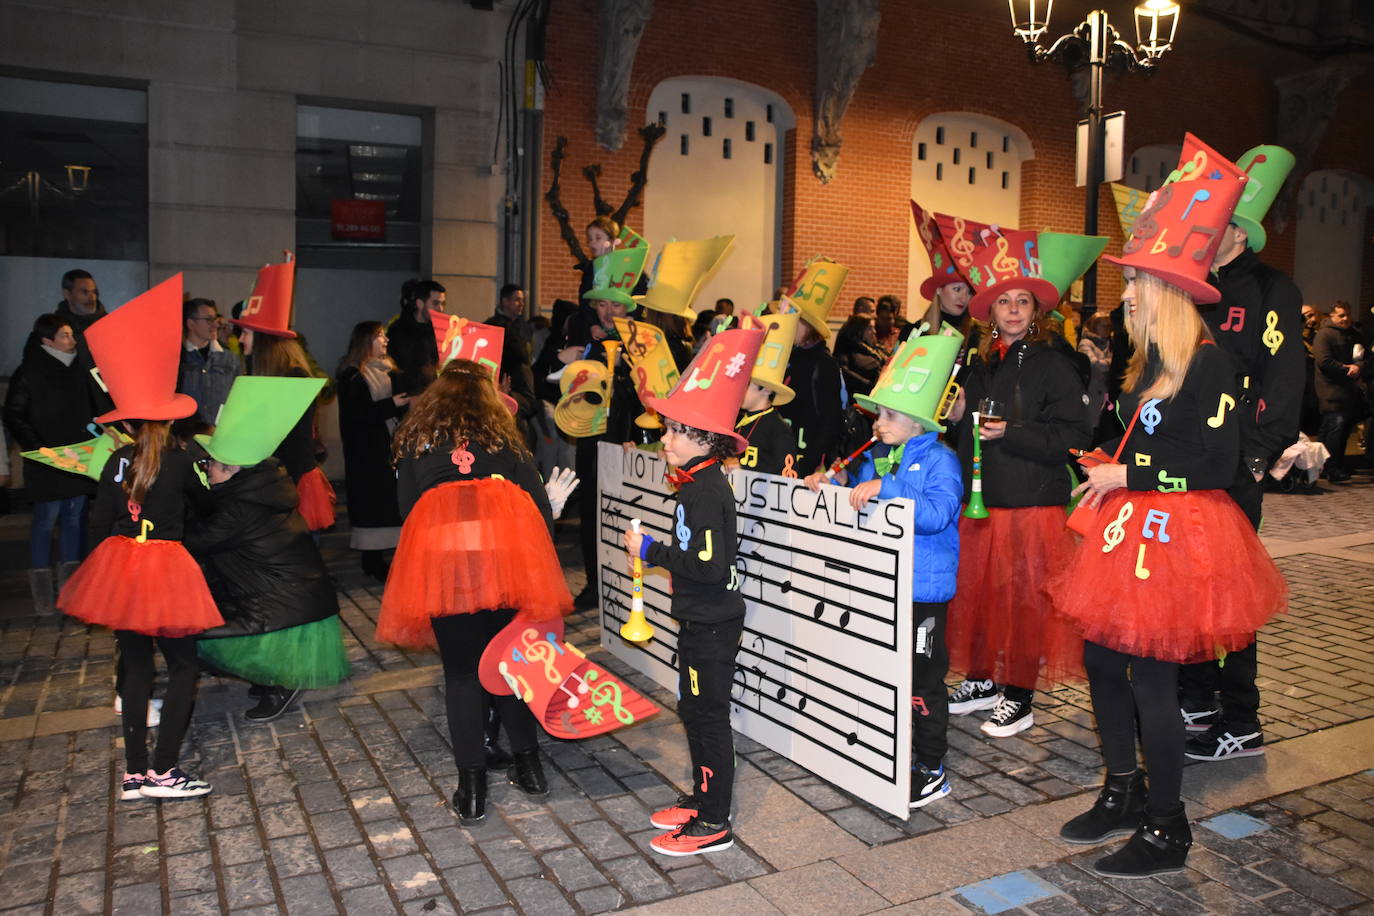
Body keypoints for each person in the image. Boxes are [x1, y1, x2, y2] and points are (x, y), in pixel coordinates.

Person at [1050, 152, 1287, 878]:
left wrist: (1133, 471)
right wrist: (1107, 464)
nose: (1124, 290)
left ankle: (1167, 826)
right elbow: (1131, 431)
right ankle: (1123, 790)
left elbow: (1219, 464)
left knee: (1152, 681)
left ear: (1164, 287)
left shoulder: (1208, 362)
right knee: (1099, 659)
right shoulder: (1147, 359)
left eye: (1132, 279)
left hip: (1177, 534)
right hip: (1131, 526)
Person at [375, 360, 575, 825]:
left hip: (446, 568)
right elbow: (538, 508)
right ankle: (530, 769)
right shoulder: (503, 437)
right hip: (504, 564)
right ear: (489, 397)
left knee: (462, 674)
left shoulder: (414, 439)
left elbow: (408, 510)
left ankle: (471, 787)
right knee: (509, 667)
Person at [57, 276, 221, 800]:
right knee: (183, 666)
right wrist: (218, 476)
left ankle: (133, 772)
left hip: (121, 565)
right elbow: (206, 506)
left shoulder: (114, 458)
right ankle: (164, 770)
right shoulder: (183, 456)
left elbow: (99, 519)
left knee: (133, 668)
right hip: (166, 567)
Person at [934, 216, 1095, 738]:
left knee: (1023, 599)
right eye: (1004, 302)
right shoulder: (979, 363)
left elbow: (1071, 437)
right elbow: (966, 432)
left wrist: (1014, 433)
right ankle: (982, 679)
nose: (1012, 310)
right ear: (991, 312)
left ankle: (1019, 694)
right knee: (978, 597)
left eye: (1022, 301)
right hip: (983, 502)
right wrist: (958, 419)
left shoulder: (1053, 363)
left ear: (1036, 310)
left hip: (1030, 503)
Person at [1181, 144, 1305, 760]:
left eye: (1218, 221)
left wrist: (1258, 455)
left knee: (1229, 590)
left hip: (1234, 465)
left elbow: (1285, 378)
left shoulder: (1271, 288)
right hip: (1184, 461)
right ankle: (1196, 698)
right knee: (1187, 582)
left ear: (1238, 229)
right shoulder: (1188, 286)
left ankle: (1242, 718)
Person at [805, 330, 962, 809]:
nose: (879, 421)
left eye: (890, 414)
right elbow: (855, 492)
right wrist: (827, 482)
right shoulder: (877, 455)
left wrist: (886, 488)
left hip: (925, 593)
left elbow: (937, 516)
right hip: (885, 586)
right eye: (879, 413)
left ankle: (932, 767)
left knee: (923, 680)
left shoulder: (941, 459)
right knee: (888, 673)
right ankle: (895, 749)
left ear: (916, 421)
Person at [623, 327, 764, 856]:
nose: (666, 440)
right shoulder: (697, 483)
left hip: (710, 620)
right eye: (667, 430)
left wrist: (649, 551)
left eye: (677, 432)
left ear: (706, 441)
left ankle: (713, 821)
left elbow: (708, 564)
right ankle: (705, 794)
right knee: (693, 708)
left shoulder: (703, 492)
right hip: (702, 618)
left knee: (707, 715)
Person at [190, 377, 349, 722]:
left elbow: (194, 542)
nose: (206, 471)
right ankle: (268, 676)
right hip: (298, 605)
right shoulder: (261, 491)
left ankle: (279, 681)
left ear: (232, 470)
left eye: (211, 465)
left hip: (282, 612)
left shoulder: (238, 509)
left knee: (185, 634)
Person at [4, 314, 99, 610]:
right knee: (46, 520)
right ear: (47, 340)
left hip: (79, 456)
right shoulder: (29, 371)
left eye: (72, 335)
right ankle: (43, 594)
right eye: (65, 336)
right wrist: (37, 447)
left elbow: (97, 406)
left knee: (75, 517)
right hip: (47, 460)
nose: (72, 341)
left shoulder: (81, 369)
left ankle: (72, 590)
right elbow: (14, 414)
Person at [236, 297, 335, 536]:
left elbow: (291, 444)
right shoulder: (274, 376)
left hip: (293, 482)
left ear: (264, 339)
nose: (240, 339)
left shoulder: (294, 378)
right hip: (280, 481)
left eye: (246, 333)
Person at [336, 322, 410, 580]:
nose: (386, 340)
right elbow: (358, 415)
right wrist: (392, 404)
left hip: (388, 447)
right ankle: (372, 561)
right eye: (380, 336)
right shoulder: (352, 375)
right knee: (372, 505)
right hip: (366, 453)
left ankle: (385, 558)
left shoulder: (389, 370)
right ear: (366, 341)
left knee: (388, 503)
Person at [776, 274, 846, 475]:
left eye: (793, 320)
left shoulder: (824, 364)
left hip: (807, 462)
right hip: (780, 455)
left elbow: (830, 421)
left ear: (808, 325)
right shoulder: (782, 357)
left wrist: (810, 463)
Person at [735, 311, 800, 476]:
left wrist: (744, 473)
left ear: (766, 389)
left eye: (747, 385)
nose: (740, 389)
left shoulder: (778, 430)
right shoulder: (739, 421)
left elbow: (787, 478)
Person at [1312, 302, 1362, 483]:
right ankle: (1330, 467)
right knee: (1334, 428)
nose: (1346, 319)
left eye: (1348, 315)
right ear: (1332, 316)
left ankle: (1330, 465)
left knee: (1340, 431)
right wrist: (1346, 369)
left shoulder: (1353, 335)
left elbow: (1364, 357)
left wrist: (1359, 367)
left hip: (1349, 392)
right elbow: (1324, 361)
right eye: (1341, 315)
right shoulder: (1325, 335)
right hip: (1330, 391)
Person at [178, 297, 241, 423]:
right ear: (190, 323)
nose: (216, 324)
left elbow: (238, 399)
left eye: (215, 319)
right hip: (184, 435)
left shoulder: (229, 359)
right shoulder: (178, 358)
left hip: (218, 433)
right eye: (208, 320)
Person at [387, 279, 447, 394]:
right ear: (420, 303)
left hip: (431, 395)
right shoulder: (398, 331)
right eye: (435, 303)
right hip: (407, 399)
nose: (441, 309)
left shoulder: (440, 331)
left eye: (443, 303)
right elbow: (396, 370)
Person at [833, 314, 884, 405]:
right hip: (858, 401)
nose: (874, 331)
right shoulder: (847, 349)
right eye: (869, 328)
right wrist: (870, 385)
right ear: (859, 330)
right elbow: (844, 372)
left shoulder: (875, 349)